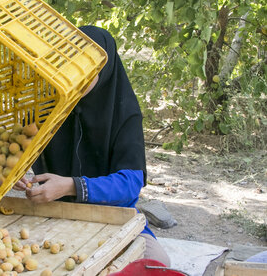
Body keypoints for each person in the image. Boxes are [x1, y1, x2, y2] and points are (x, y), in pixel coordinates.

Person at [14, 25, 171, 266]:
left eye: (90, 66)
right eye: (71, 62)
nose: (79, 73)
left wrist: (71, 186)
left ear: (105, 67)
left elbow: (130, 185)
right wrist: (13, 172)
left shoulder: (125, 113)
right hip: (53, 213)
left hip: (112, 217)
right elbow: (14, 147)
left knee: (157, 264)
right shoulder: (47, 105)